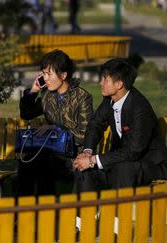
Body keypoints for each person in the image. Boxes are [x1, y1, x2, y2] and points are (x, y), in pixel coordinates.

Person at [73, 58, 167, 190]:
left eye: (105, 79)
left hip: (149, 163)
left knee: (123, 169)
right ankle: (85, 210)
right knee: (84, 168)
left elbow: (133, 152)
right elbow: (95, 124)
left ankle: (121, 210)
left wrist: (93, 160)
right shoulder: (110, 100)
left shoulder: (140, 109)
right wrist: (87, 152)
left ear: (119, 84)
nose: (101, 83)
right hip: (122, 159)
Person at [16, 49, 93, 196]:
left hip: (72, 155)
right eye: (43, 74)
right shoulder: (47, 96)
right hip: (50, 151)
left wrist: (55, 129)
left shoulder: (82, 97)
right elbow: (26, 114)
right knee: (27, 162)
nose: (45, 78)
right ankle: (24, 211)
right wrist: (33, 91)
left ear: (63, 75)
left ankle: (45, 210)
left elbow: (85, 134)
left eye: (49, 74)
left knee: (43, 163)